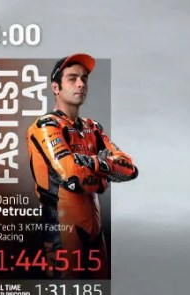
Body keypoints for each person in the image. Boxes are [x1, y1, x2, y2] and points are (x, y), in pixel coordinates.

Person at [26, 53, 138, 279]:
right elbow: (73, 178)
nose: (81, 84)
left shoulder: (92, 127)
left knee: (99, 290)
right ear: (56, 88)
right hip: (60, 227)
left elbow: (129, 169)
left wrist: (93, 163)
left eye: (84, 78)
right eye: (72, 78)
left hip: (94, 226)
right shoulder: (46, 126)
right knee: (65, 292)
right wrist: (105, 175)